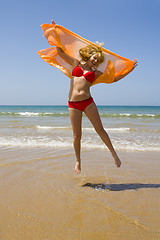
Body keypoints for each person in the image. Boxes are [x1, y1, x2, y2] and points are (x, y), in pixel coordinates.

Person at [53, 22, 137, 174]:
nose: (96, 61)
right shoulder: (76, 63)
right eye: (95, 57)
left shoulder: (96, 73)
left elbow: (115, 79)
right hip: (73, 104)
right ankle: (78, 161)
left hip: (87, 102)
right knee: (77, 135)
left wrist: (129, 69)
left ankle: (114, 154)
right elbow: (59, 51)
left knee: (100, 129)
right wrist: (56, 31)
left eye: (98, 60)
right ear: (89, 55)